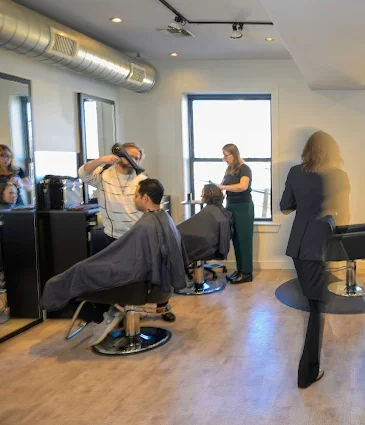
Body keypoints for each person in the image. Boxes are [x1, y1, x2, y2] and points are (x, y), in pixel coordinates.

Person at [41, 179, 187, 346]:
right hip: (157, 287)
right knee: (88, 269)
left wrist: (89, 267)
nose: (134, 199)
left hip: (139, 288)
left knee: (79, 273)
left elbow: (131, 263)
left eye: (136, 196)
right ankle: (109, 312)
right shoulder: (165, 218)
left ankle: (99, 317)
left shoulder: (145, 226)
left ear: (145, 198)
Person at [280, 130, 350, 389]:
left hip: (299, 246)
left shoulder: (295, 172)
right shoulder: (338, 175)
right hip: (320, 245)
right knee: (317, 307)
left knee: (314, 302)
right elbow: (344, 216)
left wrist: (304, 201)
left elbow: (285, 207)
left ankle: (310, 367)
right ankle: (307, 373)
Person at [77, 142, 175, 322]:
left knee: (152, 272)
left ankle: (162, 306)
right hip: (114, 236)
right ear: (119, 155)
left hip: (139, 235)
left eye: (136, 158)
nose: (132, 160)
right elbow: (83, 173)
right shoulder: (103, 175)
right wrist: (101, 160)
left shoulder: (140, 179)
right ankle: (125, 312)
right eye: (129, 155)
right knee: (121, 278)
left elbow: (154, 205)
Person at [219, 144, 254, 284]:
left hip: (243, 207)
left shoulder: (245, 168)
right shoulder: (228, 170)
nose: (224, 158)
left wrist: (224, 187)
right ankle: (240, 270)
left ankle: (247, 273)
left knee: (244, 239)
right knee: (236, 239)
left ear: (234, 154)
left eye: (226, 155)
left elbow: (243, 186)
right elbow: (221, 186)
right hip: (231, 206)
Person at [178, 183, 233, 265]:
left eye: (203, 193)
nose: (201, 195)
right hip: (214, 246)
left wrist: (174, 231)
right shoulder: (218, 209)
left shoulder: (210, 211)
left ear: (208, 195)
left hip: (209, 247)